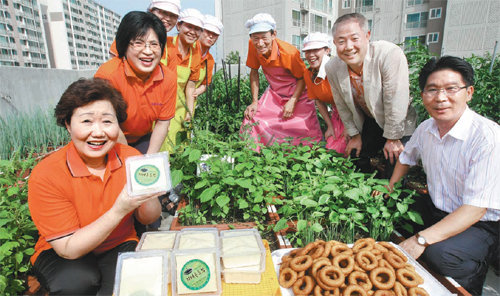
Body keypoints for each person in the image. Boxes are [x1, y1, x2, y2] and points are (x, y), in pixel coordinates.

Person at [28, 78, 163, 295]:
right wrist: (120, 209)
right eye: (87, 121)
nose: (98, 132)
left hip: (118, 242)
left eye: (107, 122)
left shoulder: (131, 159)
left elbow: (148, 218)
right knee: (77, 282)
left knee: (133, 283)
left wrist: (148, 195)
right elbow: (69, 249)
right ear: (68, 124)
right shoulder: (47, 174)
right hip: (64, 250)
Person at [387, 56, 500, 295]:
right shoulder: (426, 128)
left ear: (469, 92)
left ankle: (469, 283)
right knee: (388, 219)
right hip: (438, 209)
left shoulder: (487, 137)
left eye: (451, 89)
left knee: (440, 254)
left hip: (481, 223)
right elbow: (406, 158)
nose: (440, 98)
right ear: (422, 96)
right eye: (432, 90)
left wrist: (421, 240)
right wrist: (390, 189)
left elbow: (475, 208)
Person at [325, 13, 416, 177]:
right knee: (356, 155)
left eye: (354, 38)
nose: (348, 46)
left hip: (398, 119)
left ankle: (390, 198)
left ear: (367, 36)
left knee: (395, 163)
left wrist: (393, 138)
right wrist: (354, 135)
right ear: (334, 43)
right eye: (341, 41)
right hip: (371, 119)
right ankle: (361, 193)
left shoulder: (388, 54)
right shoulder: (333, 67)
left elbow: (395, 99)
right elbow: (341, 104)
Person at [95, 11, 177, 154]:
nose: (148, 51)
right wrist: (131, 158)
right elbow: (108, 122)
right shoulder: (107, 76)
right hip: (108, 136)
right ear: (124, 45)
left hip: (142, 137)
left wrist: (149, 159)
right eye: (138, 43)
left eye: (154, 44)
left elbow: (163, 123)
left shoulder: (168, 78)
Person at [241, 13, 322, 148]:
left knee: (304, 129)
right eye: (255, 38)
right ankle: (255, 157)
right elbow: (254, 72)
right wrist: (254, 102)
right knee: (252, 117)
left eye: (264, 38)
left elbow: (302, 78)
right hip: (275, 92)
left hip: (299, 93)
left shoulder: (289, 52)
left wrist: (293, 101)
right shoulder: (253, 46)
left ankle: (310, 157)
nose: (260, 43)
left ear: (273, 35)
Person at [159, 8, 204, 153]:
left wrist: (189, 115)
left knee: (179, 147)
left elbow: (190, 88)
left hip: (179, 107)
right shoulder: (164, 45)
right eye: (189, 26)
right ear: (179, 26)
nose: (192, 32)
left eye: (197, 29)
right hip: (158, 105)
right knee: (159, 148)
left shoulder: (195, 53)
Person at [302, 32, 347, 154]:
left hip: (352, 114)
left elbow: (351, 100)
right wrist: (330, 126)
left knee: (345, 147)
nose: (311, 55)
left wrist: (350, 127)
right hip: (337, 115)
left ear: (327, 50)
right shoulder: (309, 73)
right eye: (307, 51)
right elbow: (318, 101)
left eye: (315, 50)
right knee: (331, 145)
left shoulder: (338, 68)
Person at [108, 0, 181, 57]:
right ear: (151, 11)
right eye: (163, 12)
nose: (168, 18)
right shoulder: (130, 35)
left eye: (173, 15)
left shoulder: (170, 46)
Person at [192, 14, 223, 100]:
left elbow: (206, 83)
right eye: (208, 32)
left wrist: (196, 92)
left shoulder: (210, 60)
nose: (211, 36)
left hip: (190, 100)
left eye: (215, 34)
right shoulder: (189, 49)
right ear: (200, 31)